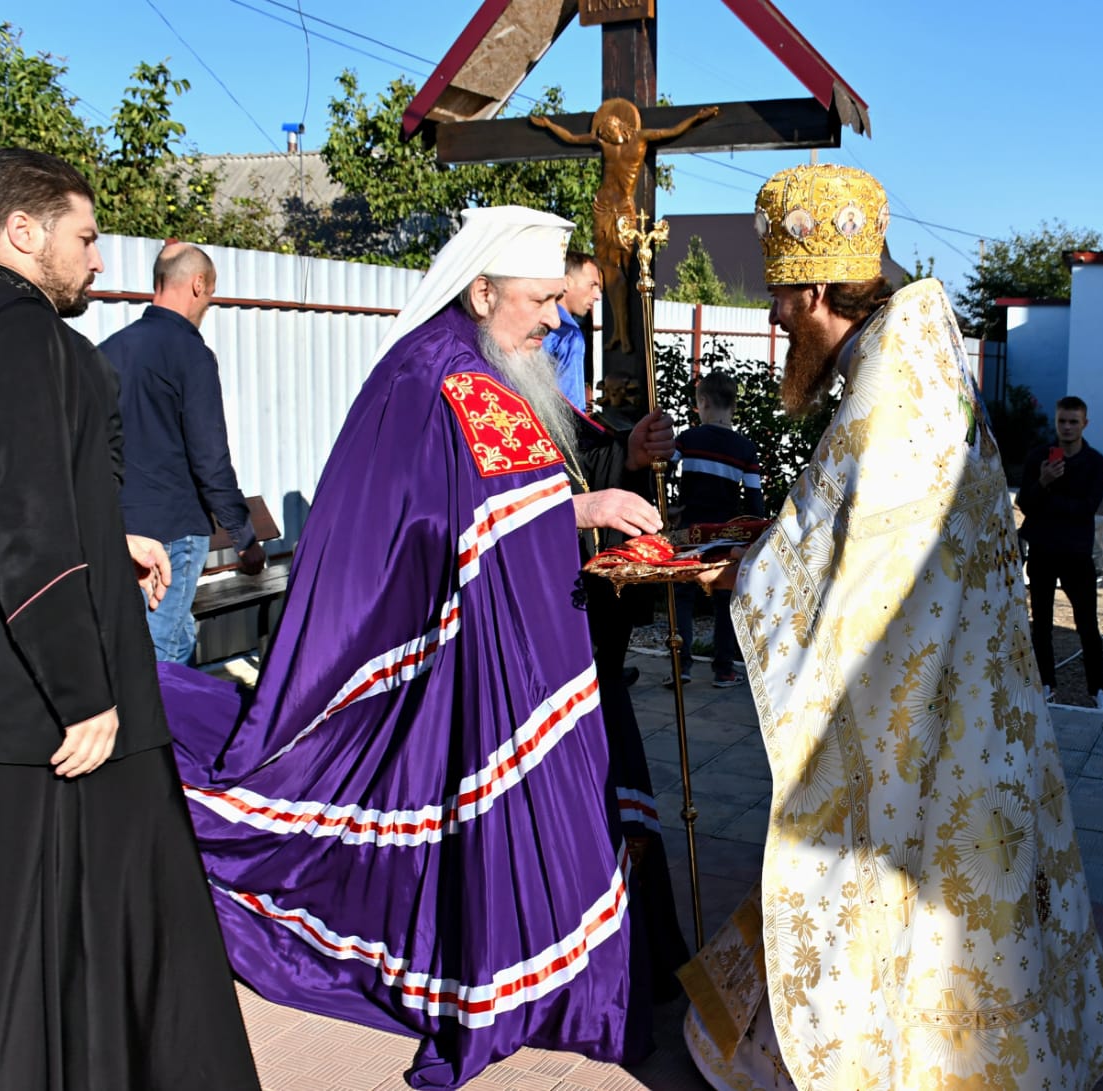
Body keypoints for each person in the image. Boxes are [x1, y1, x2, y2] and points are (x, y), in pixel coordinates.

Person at [157, 206, 674, 1089]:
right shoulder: (443, 373)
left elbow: (522, 470)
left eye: (559, 300)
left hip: (501, 644)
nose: (556, 319)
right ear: (482, 291)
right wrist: (579, 513)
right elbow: (450, 517)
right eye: (543, 299)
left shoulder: (474, 362)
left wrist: (614, 457)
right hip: (446, 652)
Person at [678, 164, 1103, 1091]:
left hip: (927, 706)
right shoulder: (919, 355)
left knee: (886, 883)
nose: (775, 321)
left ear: (813, 290)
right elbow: (855, 526)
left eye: (780, 302)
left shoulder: (886, 385)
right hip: (971, 684)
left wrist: (747, 573)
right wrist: (772, 546)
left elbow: (854, 560)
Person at [0, 147, 258, 1089]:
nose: (97, 261)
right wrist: (86, 694)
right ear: (24, 231)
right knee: (69, 945)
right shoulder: (30, 335)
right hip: (40, 699)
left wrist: (102, 529)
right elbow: (25, 522)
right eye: (85, 237)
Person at [102, 242, 266, 663]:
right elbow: (210, 458)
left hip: (118, 533)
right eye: (209, 295)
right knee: (165, 653)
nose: (206, 305)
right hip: (173, 531)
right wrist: (244, 539)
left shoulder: (108, 351)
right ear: (198, 285)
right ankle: (166, 731)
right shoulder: (191, 355)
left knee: (145, 647)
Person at [530, 99, 718, 352]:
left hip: (624, 212)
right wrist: (549, 124)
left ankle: (625, 332)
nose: (606, 135)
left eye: (610, 130)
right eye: (604, 132)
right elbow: (573, 139)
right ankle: (618, 332)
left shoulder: (640, 139)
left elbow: (671, 132)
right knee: (608, 269)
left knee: (628, 270)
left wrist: (698, 118)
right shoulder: (603, 143)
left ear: (622, 127)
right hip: (602, 207)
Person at [667, 370, 764, 687]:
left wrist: (668, 508)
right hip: (726, 534)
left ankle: (681, 666)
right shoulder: (745, 449)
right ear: (733, 405)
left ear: (703, 401)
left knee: (681, 596)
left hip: (687, 532)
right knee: (724, 598)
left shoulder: (687, 439)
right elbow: (754, 501)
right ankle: (723, 669)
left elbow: (662, 471)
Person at [1017, 396, 1103, 711]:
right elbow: (1025, 505)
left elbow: (1086, 509)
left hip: (1076, 554)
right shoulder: (1038, 458)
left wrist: (1047, 500)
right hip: (1043, 551)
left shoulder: (1096, 464)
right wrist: (1044, 481)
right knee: (1041, 623)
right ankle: (1046, 685)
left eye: (1074, 421)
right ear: (1055, 422)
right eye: (1062, 421)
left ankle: (1098, 691)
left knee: (1087, 625)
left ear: (1085, 424)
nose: (1067, 427)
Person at [543, 248, 602, 410]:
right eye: (592, 285)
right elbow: (572, 408)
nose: (598, 295)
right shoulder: (568, 336)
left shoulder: (532, 323)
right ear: (566, 282)